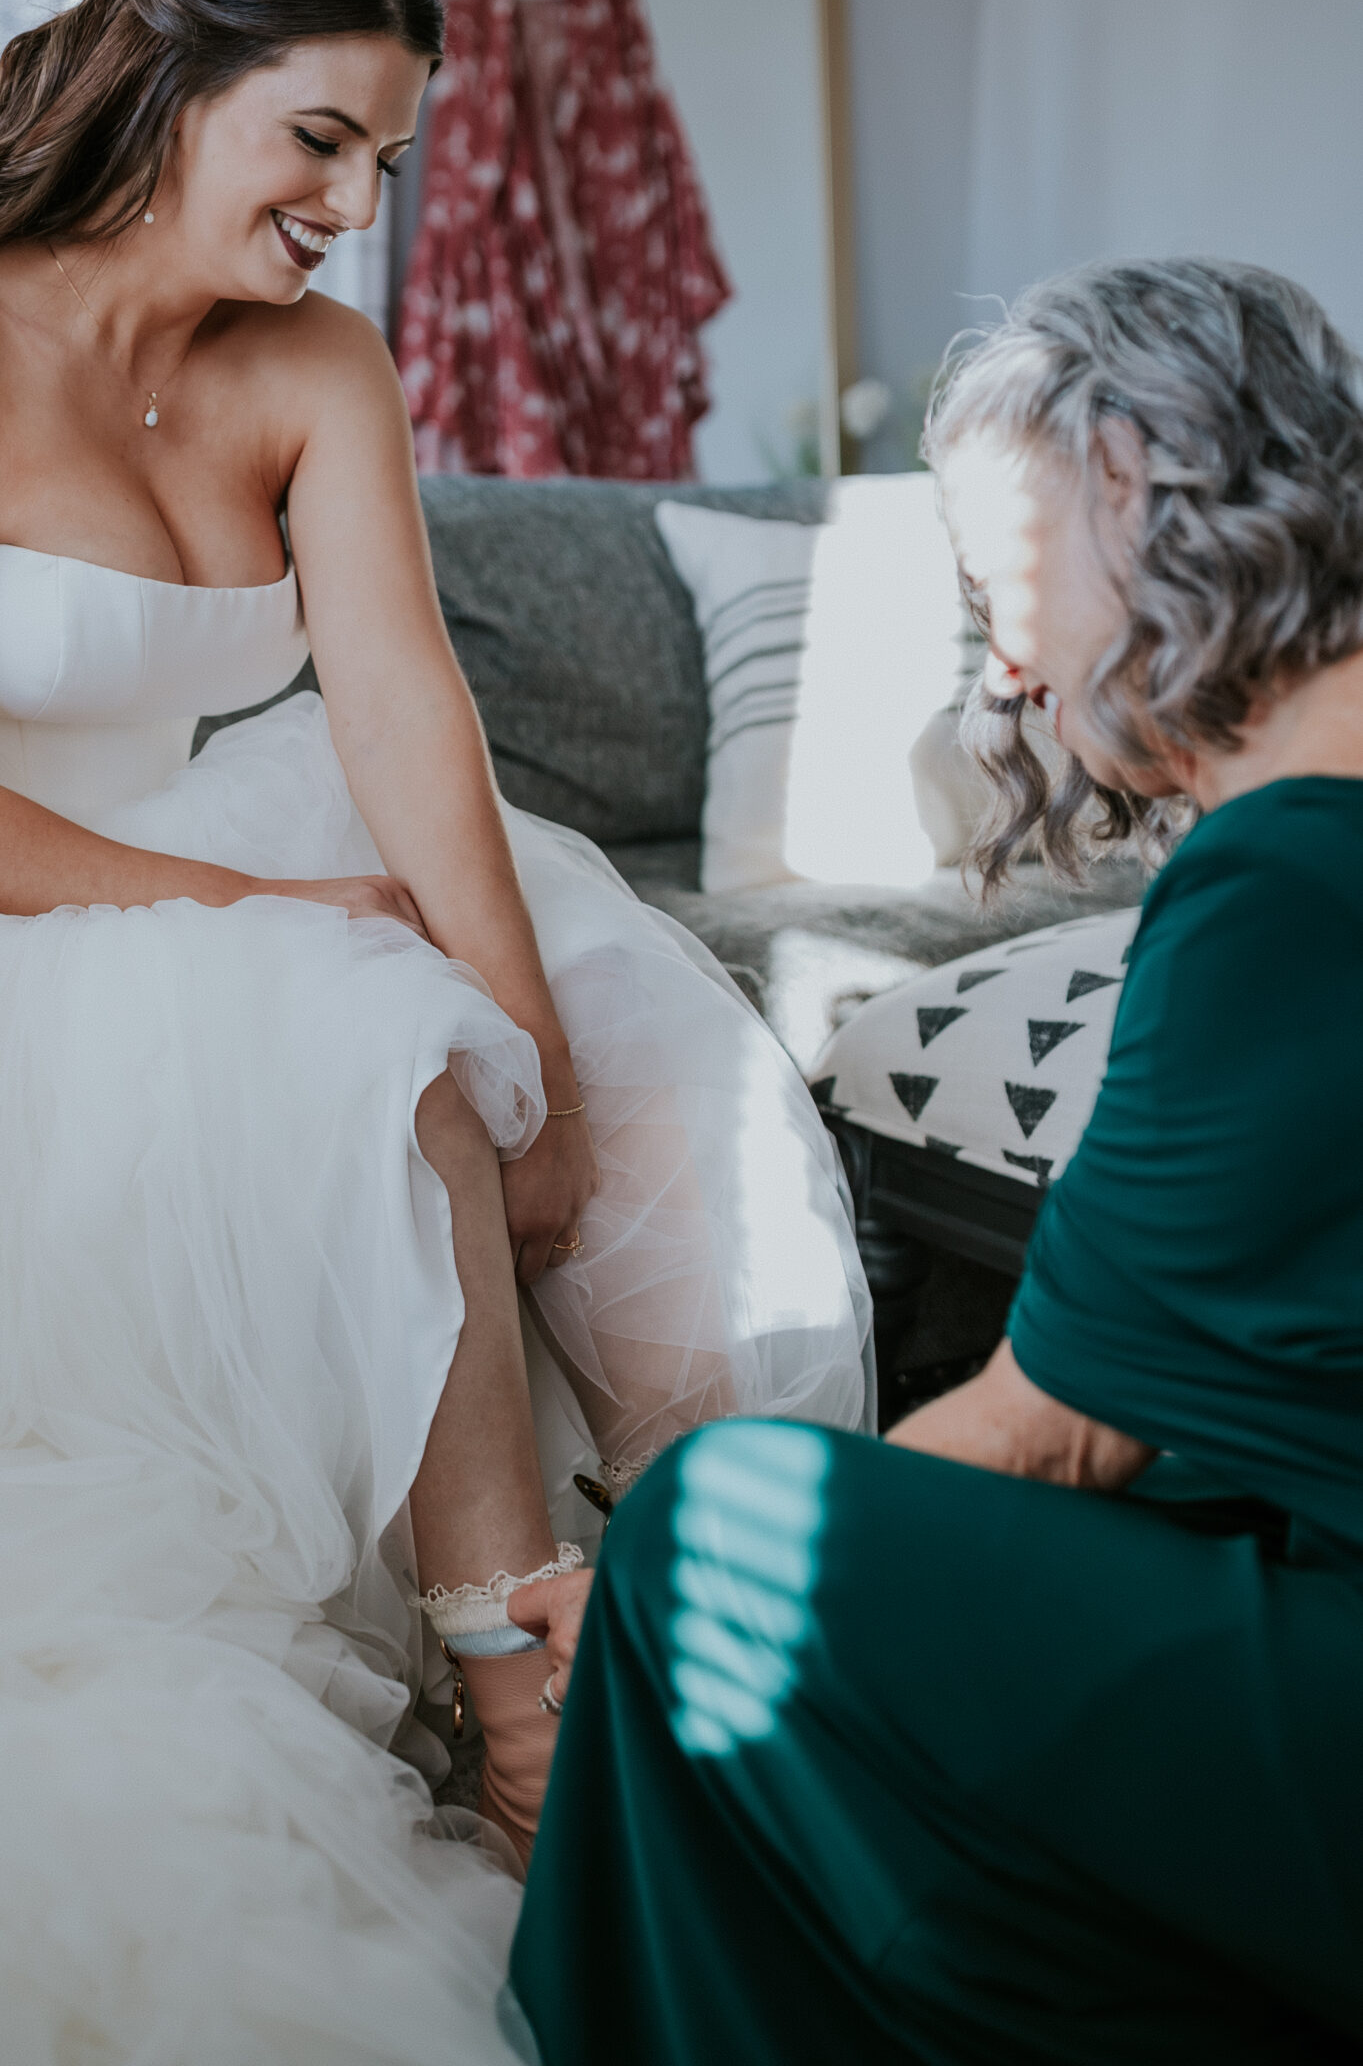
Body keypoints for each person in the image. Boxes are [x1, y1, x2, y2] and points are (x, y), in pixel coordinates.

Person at [0, 0, 869, 2063]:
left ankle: (728, 1615)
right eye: (315, 134)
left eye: (381, 157)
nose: (348, 197)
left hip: (199, 881)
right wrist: (282, 924)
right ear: (167, 71)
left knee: (480, 1024)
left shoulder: (319, 364)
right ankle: (525, 1694)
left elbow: (408, 710)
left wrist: (536, 1056)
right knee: (352, 1012)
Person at [509, 258, 1363, 2064]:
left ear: (1129, 478)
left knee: (717, 1532)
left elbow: (1054, 1431)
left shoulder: (1291, 874)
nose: (1012, 673)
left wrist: (646, 1616)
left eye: (997, 587)